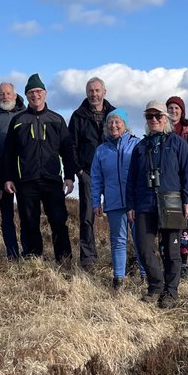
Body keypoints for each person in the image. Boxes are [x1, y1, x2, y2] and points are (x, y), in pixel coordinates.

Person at [127, 101, 188, 309]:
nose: (154, 120)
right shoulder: (140, 147)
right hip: (144, 204)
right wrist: (131, 205)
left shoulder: (177, 143)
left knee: (172, 251)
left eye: (158, 116)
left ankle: (171, 292)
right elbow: (131, 179)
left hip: (172, 203)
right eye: (149, 116)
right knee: (144, 248)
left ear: (165, 118)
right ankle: (156, 286)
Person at [2, 73, 77, 263]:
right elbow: (9, 153)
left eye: (38, 91)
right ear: (26, 95)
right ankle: (33, 259)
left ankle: (64, 259)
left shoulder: (57, 119)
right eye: (31, 92)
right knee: (29, 222)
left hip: (52, 179)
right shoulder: (18, 120)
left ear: (45, 93)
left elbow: (67, 151)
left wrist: (69, 176)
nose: (35, 95)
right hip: (26, 180)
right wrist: (8, 178)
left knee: (58, 221)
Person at [90, 108, 140, 290]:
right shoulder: (101, 150)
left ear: (125, 125)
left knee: (140, 239)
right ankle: (119, 278)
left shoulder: (136, 145)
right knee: (118, 241)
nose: (113, 125)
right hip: (113, 203)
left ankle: (145, 274)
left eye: (117, 121)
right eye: (110, 122)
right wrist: (96, 201)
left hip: (136, 203)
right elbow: (96, 178)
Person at [70, 76, 116, 270]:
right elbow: (71, 145)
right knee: (87, 216)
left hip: (112, 173)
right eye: (90, 91)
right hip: (88, 172)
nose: (94, 94)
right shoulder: (78, 116)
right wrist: (79, 170)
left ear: (104, 92)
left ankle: (119, 255)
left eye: (97, 90)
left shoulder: (114, 114)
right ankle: (88, 258)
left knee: (117, 215)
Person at [0, 81, 26, 258]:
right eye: (1, 94)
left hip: (24, 174)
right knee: (7, 217)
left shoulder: (26, 115)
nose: (5, 96)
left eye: (8, 93)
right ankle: (12, 253)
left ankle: (29, 251)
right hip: (3, 175)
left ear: (15, 95)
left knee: (27, 215)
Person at [166, 95, 188, 274]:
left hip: (184, 182)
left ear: (182, 111)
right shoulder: (163, 131)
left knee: (184, 226)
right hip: (168, 185)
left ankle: (183, 264)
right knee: (168, 226)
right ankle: (169, 261)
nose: (173, 111)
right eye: (170, 108)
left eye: (176, 108)